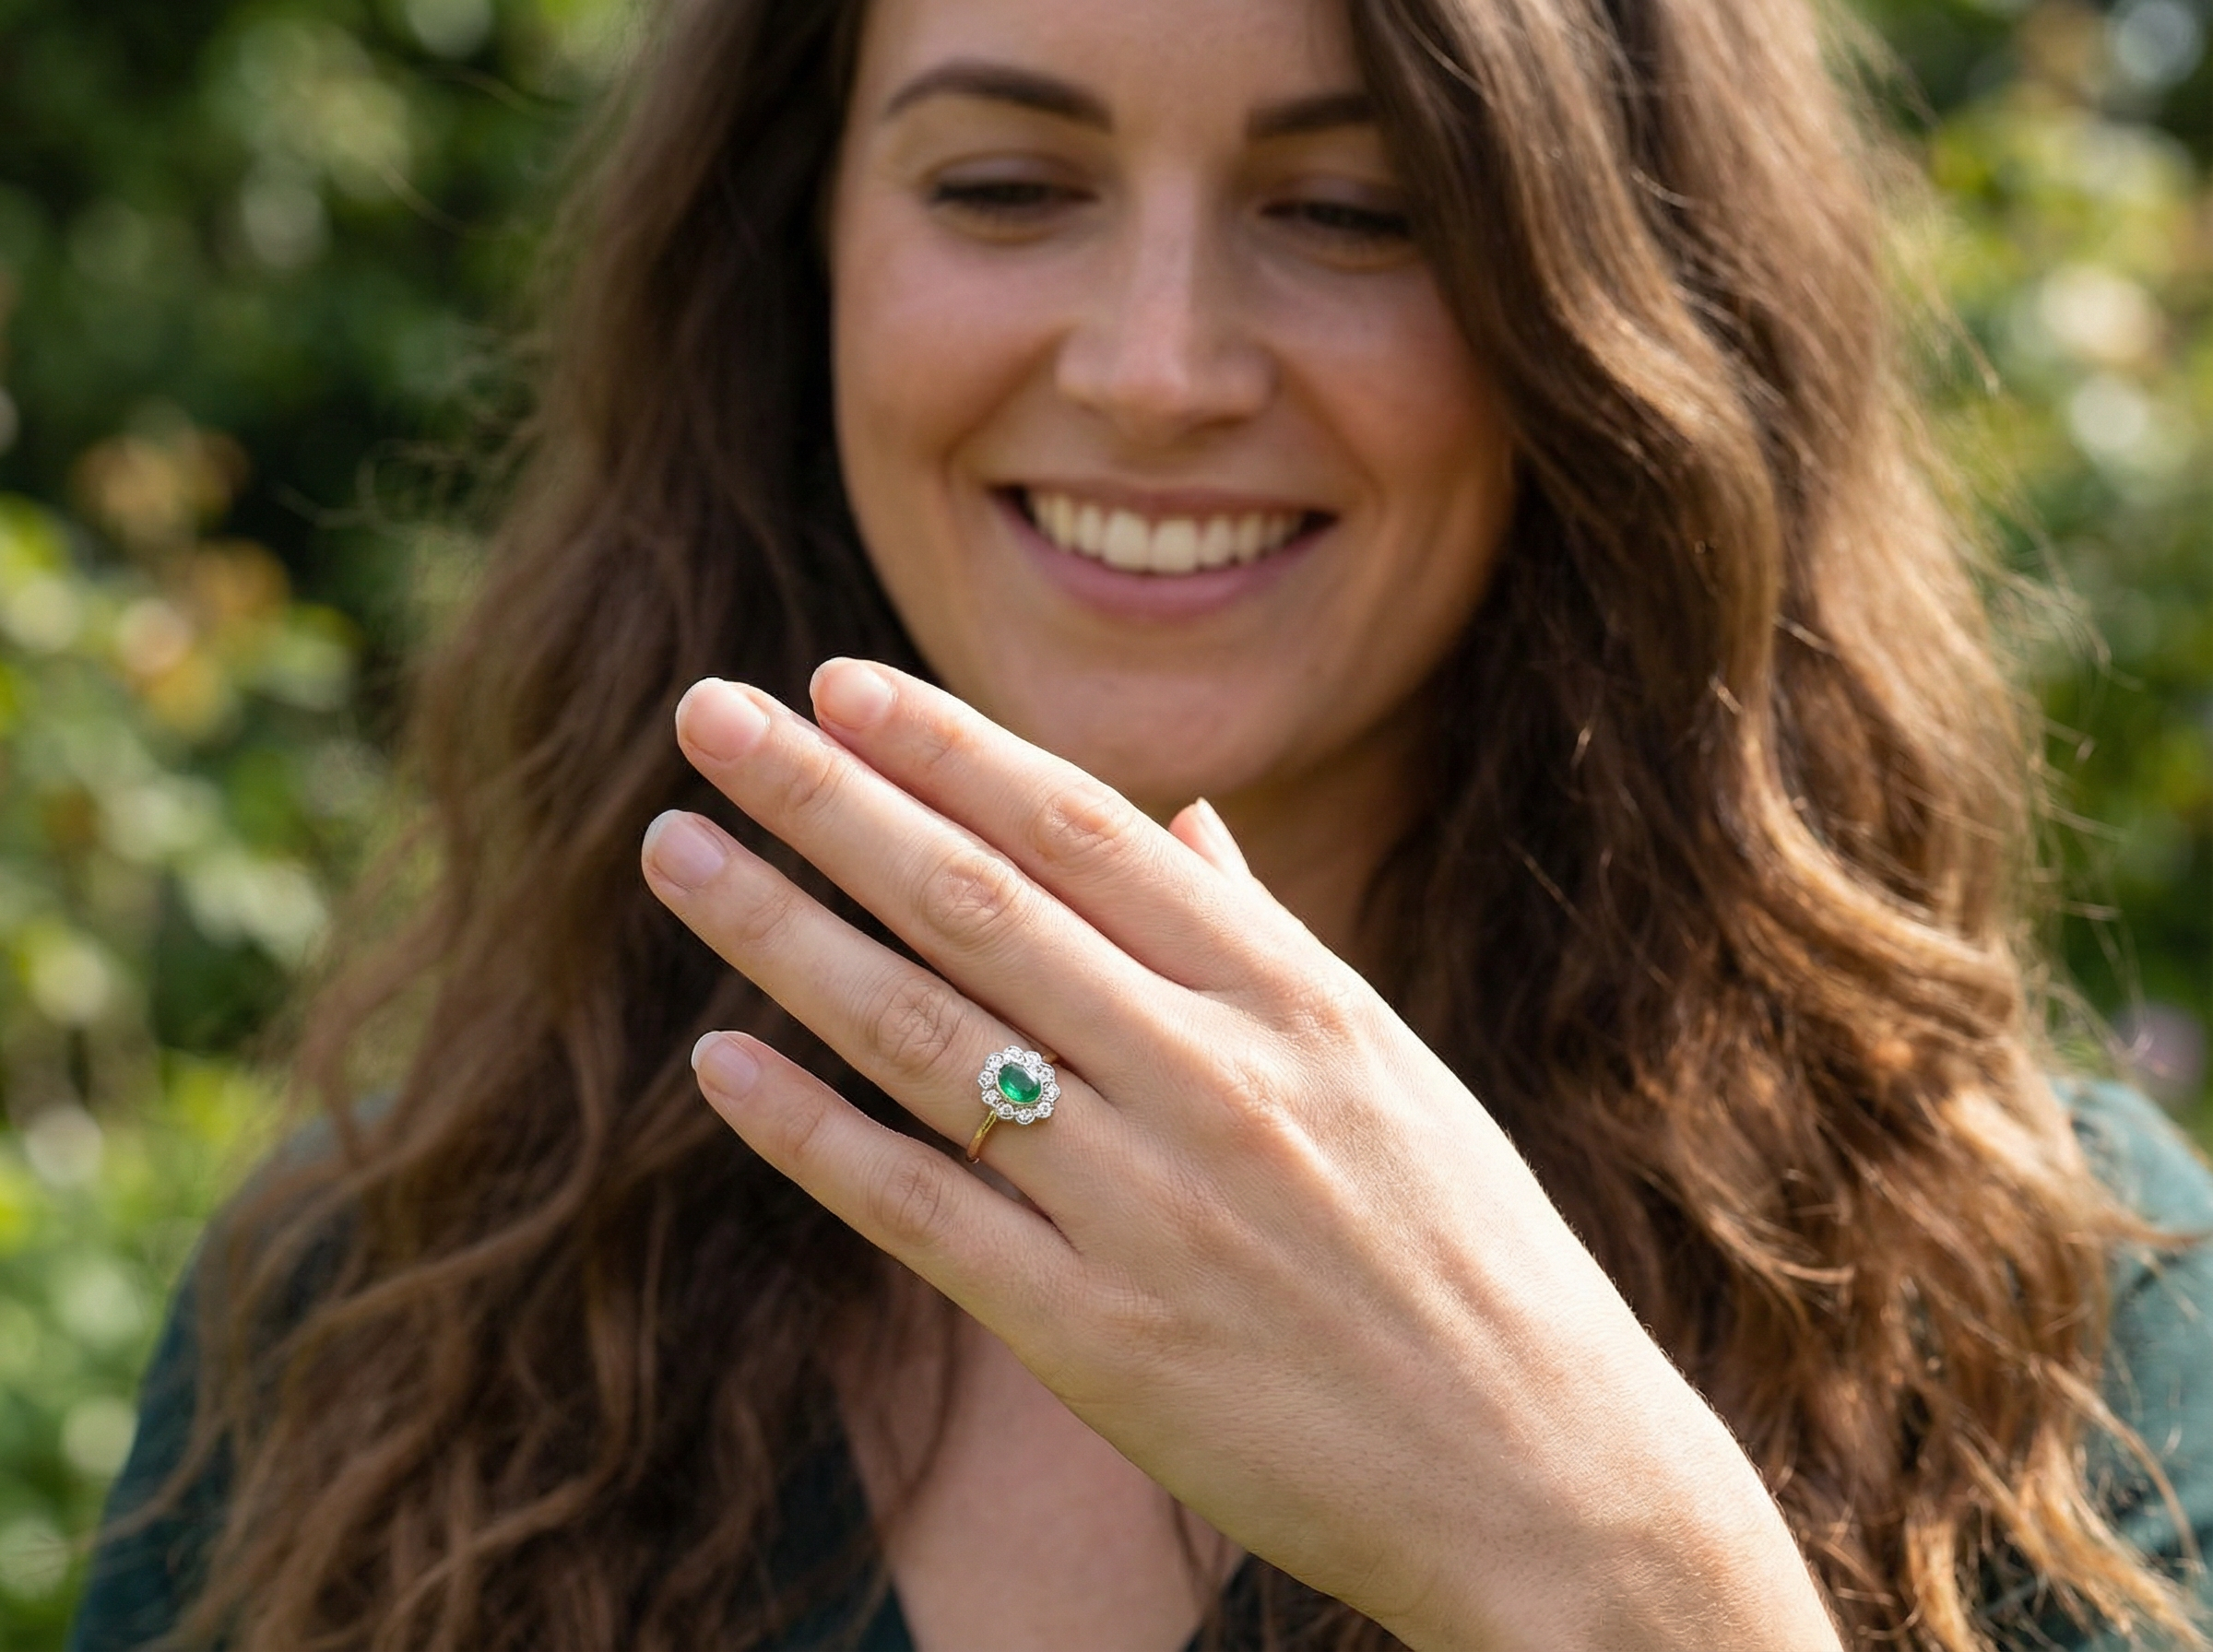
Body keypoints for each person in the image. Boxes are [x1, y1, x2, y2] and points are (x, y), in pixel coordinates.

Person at [67, 0, 2213, 1646]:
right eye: (1004, 186)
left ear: (1625, 311)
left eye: (1351, 211)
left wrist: (1610, 1562)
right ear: (794, 250)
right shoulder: (372, 1304)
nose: (1159, 362)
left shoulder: (2056, 1311)